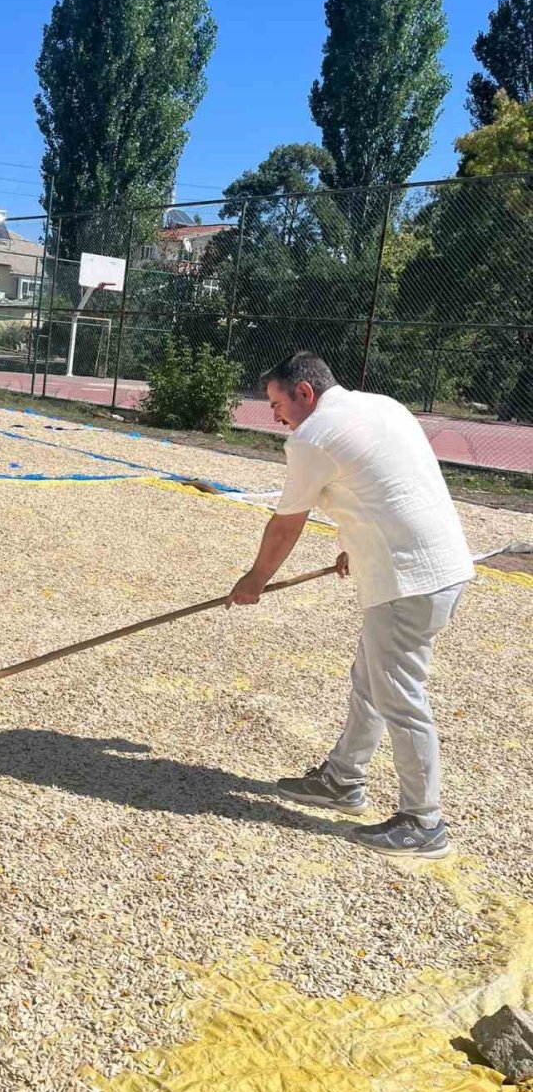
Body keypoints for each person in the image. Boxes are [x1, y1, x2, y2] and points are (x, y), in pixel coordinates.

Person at [228, 352, 474, 859]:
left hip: (409, 581)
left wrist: (255, 579)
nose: (275, 415)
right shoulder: (382, 405)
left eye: (277, 403)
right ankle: (343, 779)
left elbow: (286, 524)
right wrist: (356, 545)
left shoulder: (312, 437)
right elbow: (388, 485)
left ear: (305, 393)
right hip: (438, 567)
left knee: (399, 696)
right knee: (372, 681)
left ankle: (423, 822)